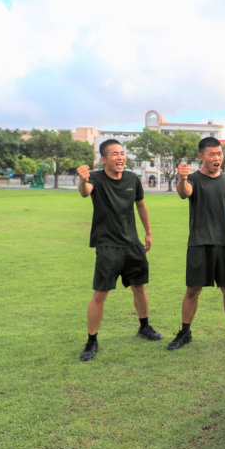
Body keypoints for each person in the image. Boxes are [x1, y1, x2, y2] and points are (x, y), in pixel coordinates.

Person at [76, 139, 162, 362]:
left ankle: (144, 327)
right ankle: (91, 341)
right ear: (103, 159)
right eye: (114, 154)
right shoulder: (95, 177)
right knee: (100, 294)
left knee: (139, 287)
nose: (120, 157)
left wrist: (148, 232)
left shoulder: (132, 179)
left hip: (132, 244)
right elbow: (86, 192)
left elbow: (141, 205)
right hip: (107, 245)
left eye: (122, 153)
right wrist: (82, 180)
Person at [167, 137, 225, 351]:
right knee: (192, 290)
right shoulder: (193, 179)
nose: (217, 158)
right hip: (199, 243)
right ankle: (185, 332)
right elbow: (185, 193)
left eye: (219, 154)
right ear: (201, 156)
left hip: (224, 244)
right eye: (212, 154)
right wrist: (182, 179)